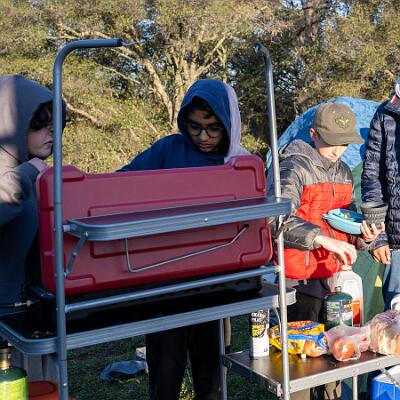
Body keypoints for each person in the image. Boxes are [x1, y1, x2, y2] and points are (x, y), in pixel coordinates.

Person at [118, 78, 249, 400]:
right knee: (165, 374)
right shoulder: (168, 150)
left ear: (230, 124)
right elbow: (120, 185)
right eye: (194, 126)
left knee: (212, 376)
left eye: (214, 128)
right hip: (165, 280)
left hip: (216, 283)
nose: (203, 137)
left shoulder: (241, 163)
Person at [269, 102, 383, 400]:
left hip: (333, 282)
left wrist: (365, 237)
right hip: (298, 281)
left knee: (335, 357)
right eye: (332, 142)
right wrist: (321, 239)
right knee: (301, 366)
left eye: (344, 143)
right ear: (313, 134)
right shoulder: (292, 166)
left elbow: (346, 222)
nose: (338, 150)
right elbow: (275, 218)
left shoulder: (343, 172)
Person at [0, 75, 66, 380]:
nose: (51, 134)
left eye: (54, 125)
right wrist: (25, 174)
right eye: (40, 125)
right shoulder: (19, 172)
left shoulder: (31, 170)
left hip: (27, 312)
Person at [361, 82, 400, 312]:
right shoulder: (386, 114)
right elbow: (372, 177)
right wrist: (378, 235)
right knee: (395, 320)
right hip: (397, 241)